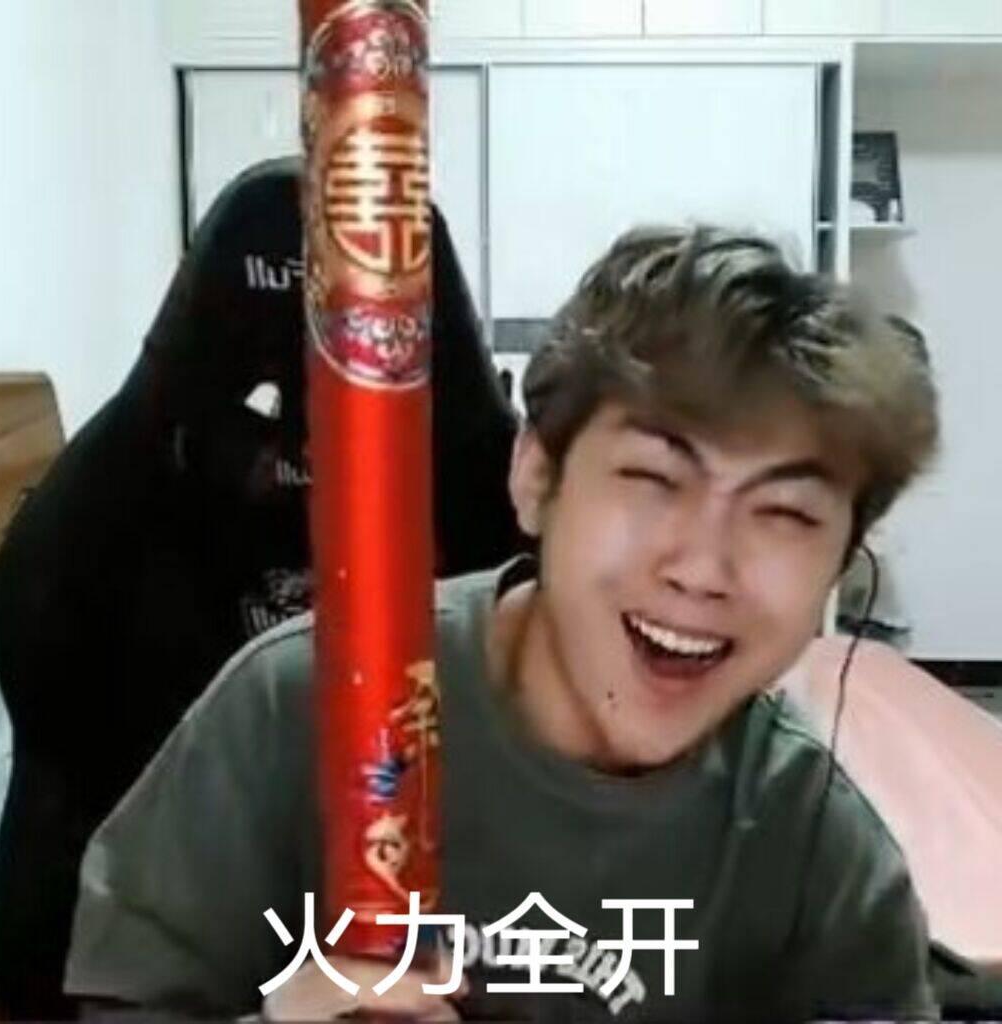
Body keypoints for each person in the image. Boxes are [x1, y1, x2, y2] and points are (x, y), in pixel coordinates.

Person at [64, 226, 940, 1023]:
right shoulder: (297, 706)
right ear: (535, 477)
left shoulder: (812, 847)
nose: (704, 568)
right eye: (652, 478)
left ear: (842, 564)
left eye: (785, 514)